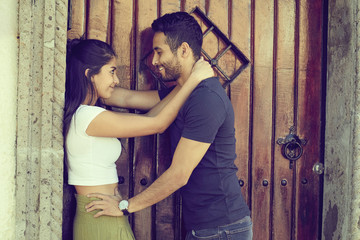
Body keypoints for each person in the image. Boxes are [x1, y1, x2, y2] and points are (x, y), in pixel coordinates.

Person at [86, 12, 252, 240]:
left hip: (222, 228)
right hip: (206, 228)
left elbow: (179, 174)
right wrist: (87, 82)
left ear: (183, 50)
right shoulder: (181, 94)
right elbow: (125, 99)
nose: (154, 61)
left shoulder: (207, 98)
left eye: (159, 51)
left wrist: (125, 206)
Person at [64, 38, 214, 240]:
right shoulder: (86, 117)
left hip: (104, 213)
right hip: (98, 216)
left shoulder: (90, 114)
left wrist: (184, 82)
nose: (116, 80)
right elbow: (157, 124)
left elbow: (151, 118)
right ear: (90, 75)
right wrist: (194, 80)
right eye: (111, 71)